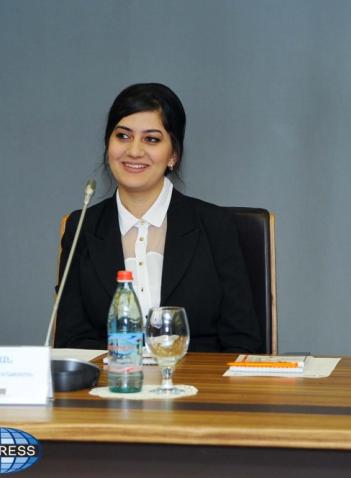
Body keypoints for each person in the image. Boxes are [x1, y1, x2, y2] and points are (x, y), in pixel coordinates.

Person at [54, 83, 262, 353]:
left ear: (173, 154)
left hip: (199, 378)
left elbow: (243, 342)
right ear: (108, 145)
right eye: (123, 136)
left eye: (151, 139)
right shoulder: (82, 228)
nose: (134, 151)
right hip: (114, 377)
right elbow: (71, 341)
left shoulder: (215, 225)